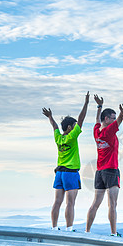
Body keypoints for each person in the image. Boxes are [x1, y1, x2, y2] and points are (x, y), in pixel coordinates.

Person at [86, 87, 123, 236]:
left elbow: (96, 120)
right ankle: (113, 233)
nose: (114, 121)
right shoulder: (108, 131)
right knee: (112, 204)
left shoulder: (97, 131)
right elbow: (121, 116)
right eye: (112, 118)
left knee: (95, 203)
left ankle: (87, 231)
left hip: (99, 171)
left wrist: (99, 107)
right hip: (111, 170)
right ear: (107, 119)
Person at [42, 91, 89, 231]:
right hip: (71, 173)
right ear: (70, 128)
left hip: (59, 173)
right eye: (74, 126)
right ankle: (69, 229)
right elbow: (81, 119)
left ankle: (54, 227)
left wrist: (50, 117)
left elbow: (55, 127)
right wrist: (86, 103)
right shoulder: (72, 137)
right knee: (70, 203)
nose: (76, 127)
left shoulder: (58, 138)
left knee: (57, 202)